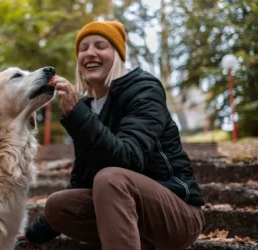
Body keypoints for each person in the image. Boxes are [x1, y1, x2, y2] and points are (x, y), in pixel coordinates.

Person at [15, 20, 205, 250]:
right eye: (83, 49)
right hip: (130, 215)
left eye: (100, 46)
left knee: (110, 178)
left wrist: (78, 116)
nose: (89, 53)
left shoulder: (144, 89)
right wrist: (34, 235)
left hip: (178, 215)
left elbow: (128, 159)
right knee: (58, 206)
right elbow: (81, 181)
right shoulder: (87, 106)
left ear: (117, 54)